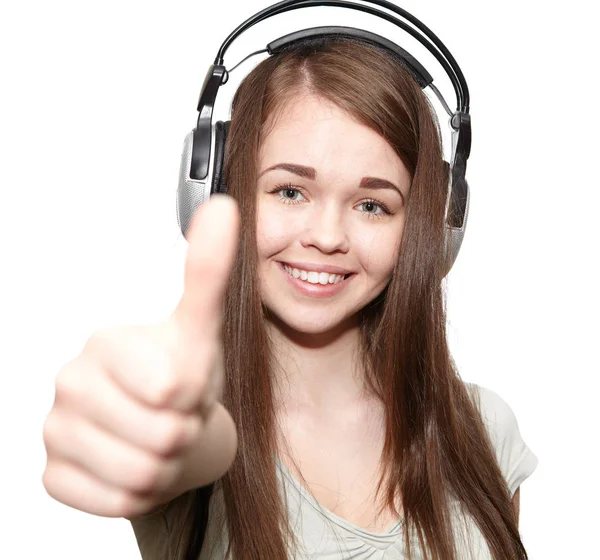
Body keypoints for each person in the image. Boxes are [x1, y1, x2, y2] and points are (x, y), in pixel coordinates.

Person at [41, 37, 538, 560]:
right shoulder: (193, 427)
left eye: (372, 205)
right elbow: (170, 444)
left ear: (429, 232)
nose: (327, 236)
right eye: (290, 191)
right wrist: (128, 420)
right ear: (216, 193)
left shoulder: (482, 430)